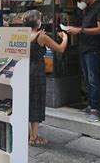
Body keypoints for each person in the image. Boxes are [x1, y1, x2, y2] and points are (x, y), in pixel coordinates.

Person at [23, 10, 68, 146]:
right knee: (36, 101)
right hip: (37, 71)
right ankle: (34, 137)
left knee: (26, 102)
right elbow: (59, 49)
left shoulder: (22, 35)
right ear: (37, 22)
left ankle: (26, 134)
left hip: (24, 70)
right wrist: (65, 38)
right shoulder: (41, 37)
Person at [67, 0, 100, 122]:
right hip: (84, 48)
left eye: (79, 0)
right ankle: (91, 105)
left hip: (94, 48)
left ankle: (95, 109)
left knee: (93, 79)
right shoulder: (86, 10)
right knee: (87, 79)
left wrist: (80, 30)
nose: (78, 3)